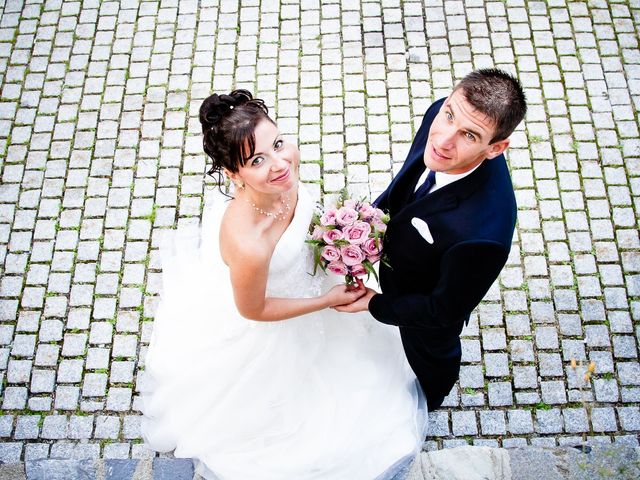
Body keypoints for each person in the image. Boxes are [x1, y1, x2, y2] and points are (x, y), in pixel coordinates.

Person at [140, 90, 428, 479]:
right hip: (274, 323)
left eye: (278, 144)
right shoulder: (249, 245)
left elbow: (305, 220)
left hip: (317, 289)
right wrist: (326, 299)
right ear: (233, 174)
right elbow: (253, 310)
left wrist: (338, 237)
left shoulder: (280, 180)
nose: (280, 164)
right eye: (258, 160)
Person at [336, 69, 527, 411]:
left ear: (496, 148)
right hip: (402, 263)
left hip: (423, 308)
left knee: (433, 352)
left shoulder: (482, 236)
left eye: (469, 135)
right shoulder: (443, 113)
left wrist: (373, 303)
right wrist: (370, 222)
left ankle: (430, 395)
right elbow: (407, 179)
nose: (442, 141)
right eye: (449, 115)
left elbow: (443, 310)